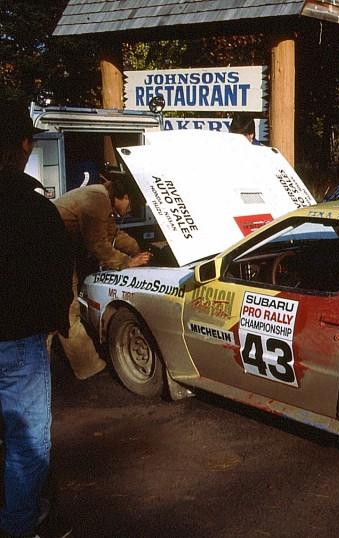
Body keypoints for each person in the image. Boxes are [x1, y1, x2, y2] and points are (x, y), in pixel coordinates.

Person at [0, 102, 74, 538]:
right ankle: (19, 525)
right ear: (23, 147)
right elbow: (57, 279)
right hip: (19, 343)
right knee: (26, 444)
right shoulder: (37, 211)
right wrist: (52, 326)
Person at [53, 176, 152, 380]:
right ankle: (87, 366)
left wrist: (136, 249)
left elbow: (111, 233)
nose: (131, 210)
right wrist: (127, 262)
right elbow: (98, 245)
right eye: (132, 204)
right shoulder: (97, 200)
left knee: (57, 311)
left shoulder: (100, 196)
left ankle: (85, 365)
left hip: (54, 251)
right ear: (123, 196)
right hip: (49, 253)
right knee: (66, 311)